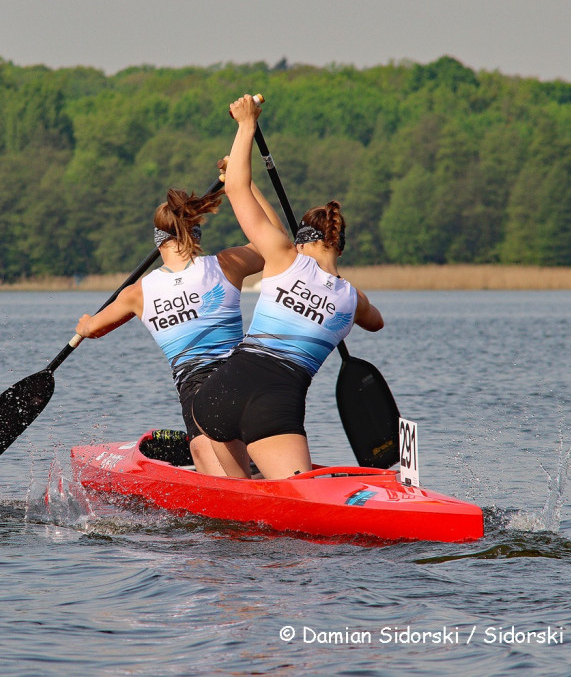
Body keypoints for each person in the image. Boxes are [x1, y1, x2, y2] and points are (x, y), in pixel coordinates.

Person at [192, 95, 385, 480]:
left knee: (238, 499)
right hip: (275, 406)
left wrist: (246, 126)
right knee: (299, 500)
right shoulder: (354, 299)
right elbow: (376, 323)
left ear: (303, 242)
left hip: (219, 394)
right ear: (338, 244)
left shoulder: (283, 258)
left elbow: (238, 191)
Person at [75, 161, 286, 475]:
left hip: (201, 395)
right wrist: (244, 183)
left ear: (159, 242)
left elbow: (93, 330)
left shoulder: (137, 294)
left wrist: (85, 322)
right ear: (196, 235)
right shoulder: (228, 264)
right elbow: (278, 240)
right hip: (250, 380)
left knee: (209, 459)